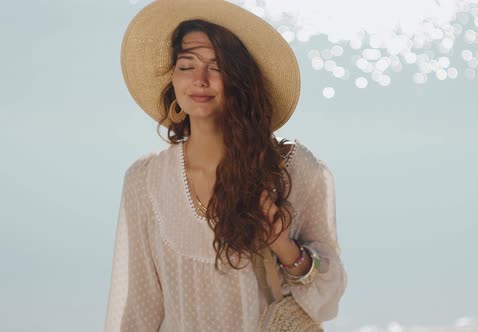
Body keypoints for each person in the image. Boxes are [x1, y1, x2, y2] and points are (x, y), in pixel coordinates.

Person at [104, 0, 347, 331]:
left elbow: (329, 291)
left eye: (216, 67)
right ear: (173, 78)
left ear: (241, 80)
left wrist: (284, 248)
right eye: (187, 65)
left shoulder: (287, 168)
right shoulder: (144, 181)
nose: (200, 80)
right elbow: (140, 309)